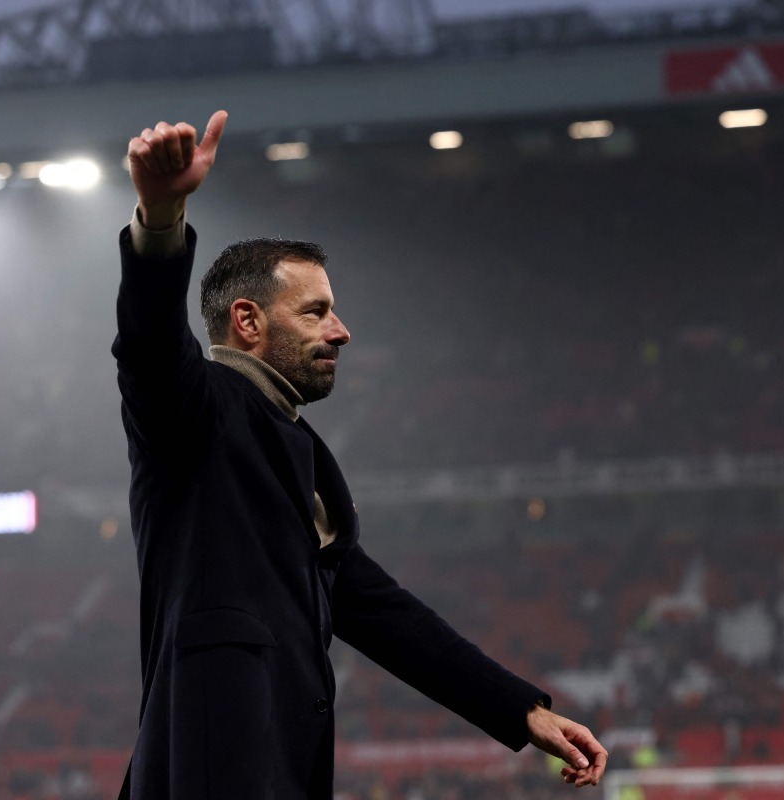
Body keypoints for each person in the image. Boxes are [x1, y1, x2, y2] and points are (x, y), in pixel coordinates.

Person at [112, 109, 608, 799]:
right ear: (247, 321)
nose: (341, 332)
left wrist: (523, 711)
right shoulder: (195, 413)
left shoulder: (301, 453)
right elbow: (148, 346)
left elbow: (386, 615)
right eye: (315, 312)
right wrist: (161, 220)